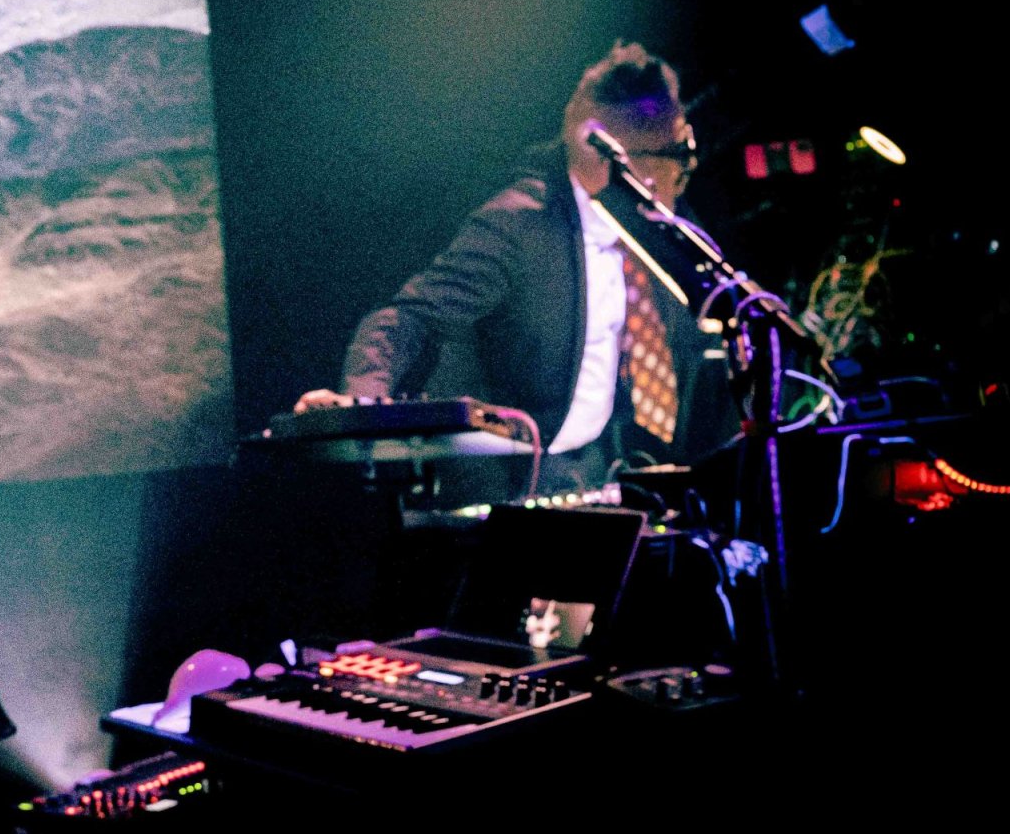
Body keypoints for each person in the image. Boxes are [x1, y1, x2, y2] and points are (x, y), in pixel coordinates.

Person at [296, 41, 726, 497]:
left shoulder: (652, 229)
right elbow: (411, 317)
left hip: (591, 470)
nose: (680, 175)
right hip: (509, 482)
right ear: (608, 153)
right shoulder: (520, 225)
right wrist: (361, 403)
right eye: (675, 155)